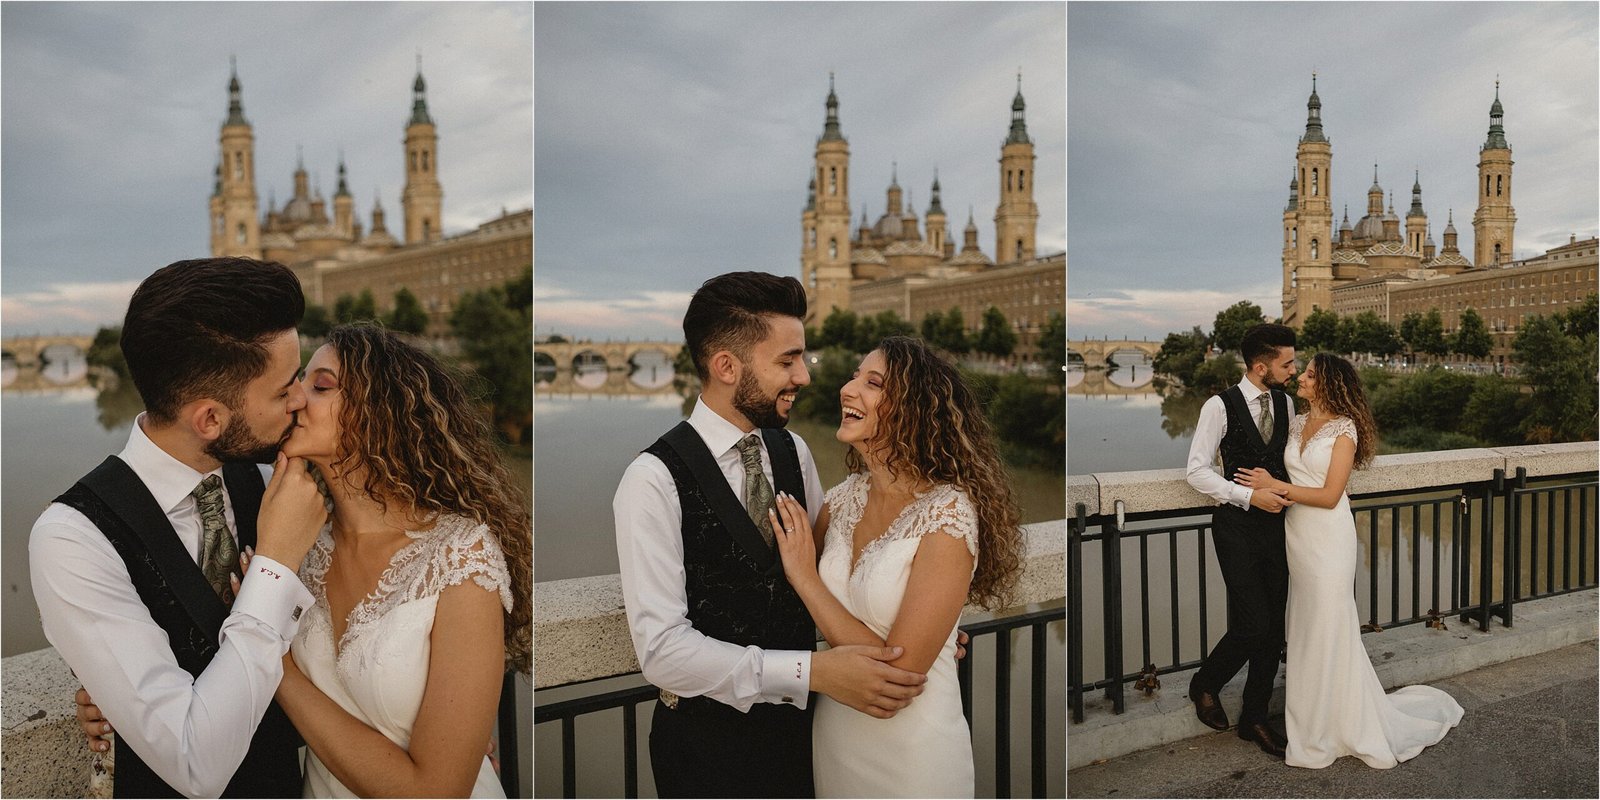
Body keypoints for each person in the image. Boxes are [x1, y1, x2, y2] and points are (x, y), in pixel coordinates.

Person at [614, 272, 931, 798]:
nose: (803, 376)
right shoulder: (651, 480)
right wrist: (812, 673)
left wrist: (918, 623)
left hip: (808, 737)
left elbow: (832, 569)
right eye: (787, 361)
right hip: (706, 753)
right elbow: (663, 651)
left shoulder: (794, 451)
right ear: (726, 367)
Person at [32, 257, 325, 798]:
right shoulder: (73, 539)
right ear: (210, 419)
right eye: (284, 389)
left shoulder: (281, 480)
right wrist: (275, 567)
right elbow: (194, 766)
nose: (301, 399)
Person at [260, 323, 531, 796]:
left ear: (379, 413)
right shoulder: (293, 540)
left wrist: (276, 667)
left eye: (321, 386)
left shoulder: (459, 554)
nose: (296, 398)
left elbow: (437, 792)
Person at [771, 336, 1024, 798]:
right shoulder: (840, 500)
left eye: (873, 383)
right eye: (854, 376)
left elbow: (898, 676)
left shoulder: (947, 513)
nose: (848, 389)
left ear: (914, 409)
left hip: (913, 754)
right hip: (836, 735)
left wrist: (806, 578)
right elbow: (791, 609)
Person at [1232, 353, 1463, 768]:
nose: (1301, 378)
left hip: (1328, 535)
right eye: (1302, 372)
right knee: (1306, 626)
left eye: (1309, 374)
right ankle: (1311, 721)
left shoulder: (1345, 429)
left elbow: (1330, 495)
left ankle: (1337, 723)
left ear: (1328, 383)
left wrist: (1275, 485)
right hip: (1297, 536)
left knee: (1329, 624)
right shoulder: (1297, 421)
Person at [1182, 323, 1298, 758]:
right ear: (1261, 366)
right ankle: (1205, 683)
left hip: (1279, 528)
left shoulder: (1286, 403)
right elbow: (1196, 471)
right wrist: (1249, 496)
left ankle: (1254, 717)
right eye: (1287, 363)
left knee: (1273, 628)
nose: (1293, 370)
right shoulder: (1219, 406)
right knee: (1253, 623)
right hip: (1236, 527)